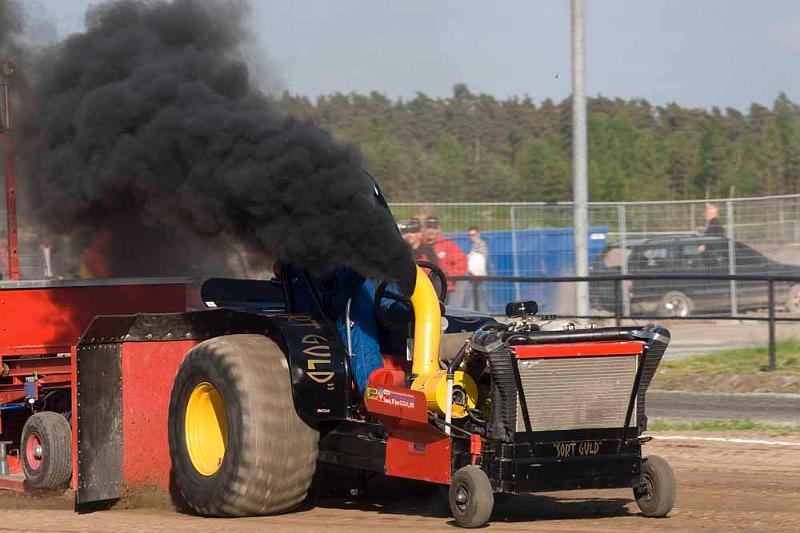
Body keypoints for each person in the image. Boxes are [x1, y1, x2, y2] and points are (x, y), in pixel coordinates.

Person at [424, 215, 468, 307]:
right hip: (424, 287)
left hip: (445, 287)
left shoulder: (447, 244)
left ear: (439, 229)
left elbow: (461, 262)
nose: (431, 231)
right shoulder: (420, 245)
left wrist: (448, 275)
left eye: (434, 228)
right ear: (424, 229)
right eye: (429, 227)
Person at [467, 226, 489, 311]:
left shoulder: (481, 245)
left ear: (478, 234)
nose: (472, 236)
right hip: (473, 276)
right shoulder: (473, 246)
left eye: (473, 234)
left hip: (480, 276)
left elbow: (481, 260)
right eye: (470, 235)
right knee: (475, 297)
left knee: (481, 297)